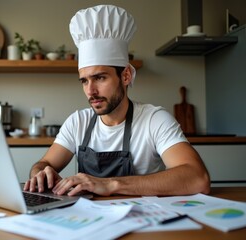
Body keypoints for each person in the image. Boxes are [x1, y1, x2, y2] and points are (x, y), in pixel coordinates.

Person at [23, 5, 210, 197]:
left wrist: (110, 184)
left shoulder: (155, 120)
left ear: (126, 76)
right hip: (87, 221)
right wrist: (39, 173)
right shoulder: (78, 122)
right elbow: (44, 164)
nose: (90, 91)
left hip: (143, 220)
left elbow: (197, 178)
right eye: (84, 81)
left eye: (100, 78)